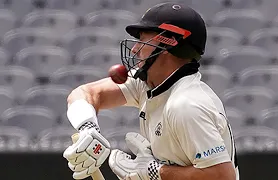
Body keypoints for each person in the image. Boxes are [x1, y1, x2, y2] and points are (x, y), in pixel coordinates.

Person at [63, 2, 239, 180]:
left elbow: (222, 176)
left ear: (168, 43)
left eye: (142, 39)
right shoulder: (146, 83)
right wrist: (88, 128)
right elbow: (87, 94)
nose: (134, 49)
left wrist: (154, 171)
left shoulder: (185, 105)